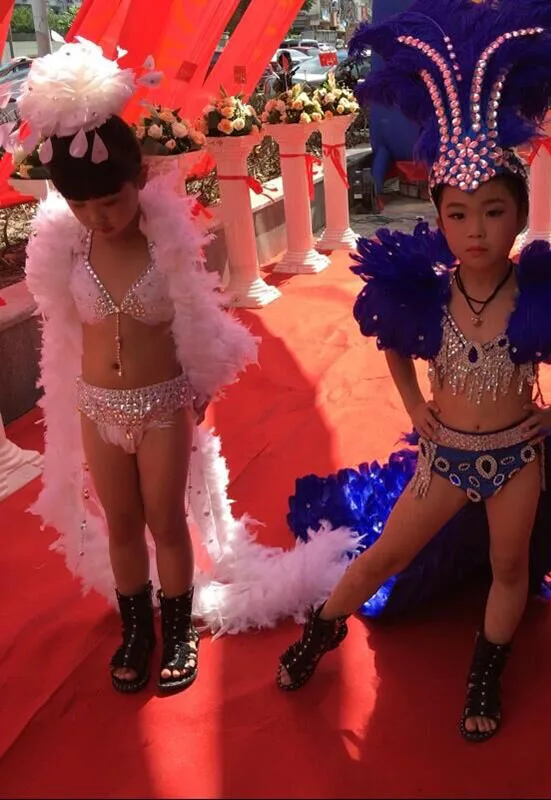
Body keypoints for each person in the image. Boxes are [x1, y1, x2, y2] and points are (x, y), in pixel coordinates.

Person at [276, 0, 551, 743]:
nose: (477, 231)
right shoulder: (424, 290)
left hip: (515, 459)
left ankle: (485, 671)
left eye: (494, 212)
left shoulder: (541, 290)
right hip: (444, 459)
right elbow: (392, 343)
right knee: (386, 554)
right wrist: (414, 405)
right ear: (438, 215)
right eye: (460, 214)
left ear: (518, 209)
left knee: (509, 568)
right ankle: (321, 631)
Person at [17, 40, 358, 695]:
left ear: (137, 179)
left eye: (110, 201)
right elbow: (56, 333)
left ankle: (176, 629)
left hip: (160, 403)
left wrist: (197, 383)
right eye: (84, 206)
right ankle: (137, 626)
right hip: (96, 405)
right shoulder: (67, 246)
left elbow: (198, 320)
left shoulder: (166, 243)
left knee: (165, 520)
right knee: (121, 524)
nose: (99, 217)